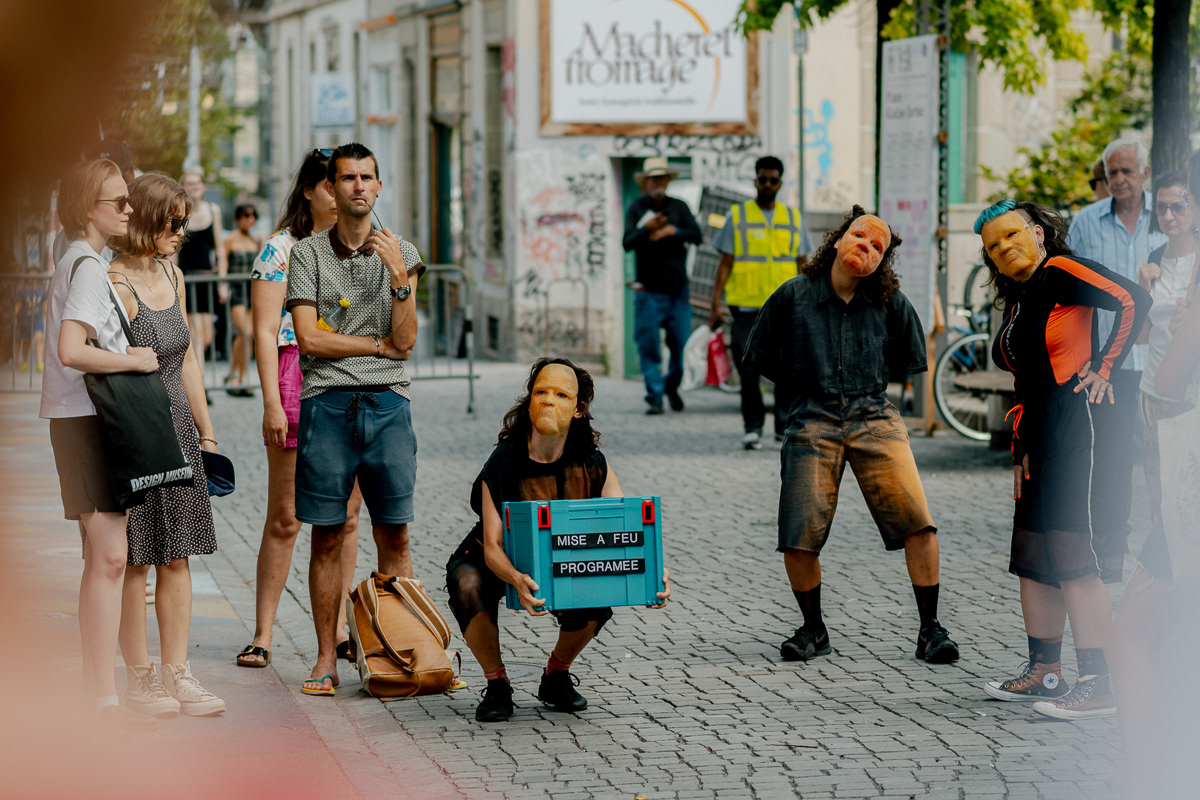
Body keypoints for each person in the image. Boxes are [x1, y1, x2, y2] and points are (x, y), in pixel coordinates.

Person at [744, 205, 959, 665]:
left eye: (878, 246)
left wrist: (874, 393)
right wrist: (799, 381)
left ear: (882, 261)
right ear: (839, 240)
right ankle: (813, 629)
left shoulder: (891, 302)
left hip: (875, 415)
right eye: (860, 236)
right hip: (812, 416)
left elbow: (910, 360)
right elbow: (758, 354)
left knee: (919, 522)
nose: (867, 246)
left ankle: (930, 630)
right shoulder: (793, 295)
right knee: (798, 533)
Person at [975, 199, 1149, 720]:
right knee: (1034, 554)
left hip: (1079, 425)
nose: (1003, 248)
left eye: (1010, 235)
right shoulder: (1021, 299)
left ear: (1037, 232)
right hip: (1038, 437)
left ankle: (1098, 683)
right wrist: (1020, 448)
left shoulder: (1059, 271)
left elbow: (1132, 298)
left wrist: (1105, 367)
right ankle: (1045, 672)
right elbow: (1023, 379)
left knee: (1073, 549)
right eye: (992, 246)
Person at [446, 358, 671, 722]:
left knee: (600, 592)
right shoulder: (503, 462)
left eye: (561, 394)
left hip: (566, 556)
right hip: (497, 559)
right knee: (467, 582)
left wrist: (651, 576)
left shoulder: (593, 463)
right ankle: (498, 684)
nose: (549, 401)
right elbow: (492, 547)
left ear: (579, 409)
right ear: (530, 401)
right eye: (541, 392)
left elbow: (624, 534)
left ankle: (556, 675)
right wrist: (516, 579)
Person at [285, 142, 424, 697]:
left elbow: (407, 342)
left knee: (396, 535)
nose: (359, 187)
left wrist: (398, 276)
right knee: (328, 533)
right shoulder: (307, 255)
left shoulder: (403, 251)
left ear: (379, 186)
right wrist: (375, 344)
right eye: (348, 178)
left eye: (368, 177)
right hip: (328, 405)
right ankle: (325, 657)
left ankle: (404, 653)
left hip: (389, 406)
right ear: (332, 188)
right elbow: (309, 337)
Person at [41, 158, 158, 730]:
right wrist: (134, 358)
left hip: (79, 420)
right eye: (119, 202)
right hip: (89, 420)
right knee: (110, 558)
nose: (129, 210)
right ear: (90, 208)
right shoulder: (86, 265)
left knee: (105, 558)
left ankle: (100, 691)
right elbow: (72, 349)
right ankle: (104, 696)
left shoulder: (79, 260)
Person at [237, 150, 363, 669]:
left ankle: (334, 633)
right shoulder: (280, 249)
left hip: (354, 381)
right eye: (333, 184)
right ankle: (264, 632)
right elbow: (265, 332)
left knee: (348, 518)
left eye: (351, 182)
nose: (344, 192)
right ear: (310, 189)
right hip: (294, 375)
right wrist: (271, 401)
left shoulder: (366, 246)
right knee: (286, 517)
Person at [109, 172, 226, 717]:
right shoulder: (114, 283)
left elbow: (189, 362)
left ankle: (178, 673)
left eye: (184, 222)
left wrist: (206, 429)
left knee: (176, 557)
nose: (182, 231)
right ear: (148, 219)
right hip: (136, 435)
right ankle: (140, 678)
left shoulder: (172, 275)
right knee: (136, 559)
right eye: (174, 222)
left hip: (179, 429)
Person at [1108, 157, 1200, 800]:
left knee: (1129, 635)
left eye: (1179, 204)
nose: (1170, 215)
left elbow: (1168, 378)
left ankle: (1155, 781)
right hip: (1173, 434)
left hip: (1187, 442)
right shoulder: (1161, 267)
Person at [1069, 138, 1166, 466]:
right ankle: (1117, 519)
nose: (1120, 178)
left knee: (1161, 453)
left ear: (1145, 173)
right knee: (1114, 457)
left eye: (1128, 170)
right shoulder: (1085, 221)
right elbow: (1071, 288)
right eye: (1113, 172)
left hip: (1159, 358)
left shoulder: (1169, 216)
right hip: (1109, 363)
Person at [708, 155, 811, 449]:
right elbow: (725, 264)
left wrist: (809, 303)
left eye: (773, 180)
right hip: (746, 309)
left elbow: (802, 264)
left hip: (785, 308)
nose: (767, 184)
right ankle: (752, 426)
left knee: (784, 370)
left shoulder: (792, 218)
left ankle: (783, 427)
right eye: (762, 179)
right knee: (749, 369)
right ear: (755, 181)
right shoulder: (737, 216)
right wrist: (716, 303)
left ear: (780, 182)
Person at [1134, 171, 1199, 535]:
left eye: (1178, 206)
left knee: (1190, 497)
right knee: (1160, 497)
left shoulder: (1199, 263)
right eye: (1162, 208)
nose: (1170, 216)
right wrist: (1142, 287)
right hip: (1153, 395)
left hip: (1192, 395)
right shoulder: (1153, 258)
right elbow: (1142, 336)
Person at [622, 157, 702, 414]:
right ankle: (655, 396)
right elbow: (627, 242)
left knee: (681, 345)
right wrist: (647, 228)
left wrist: (671, 231)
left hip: (678, 291)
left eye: (662, 178)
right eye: (653, 179)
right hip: (648, 292)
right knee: (648, 346)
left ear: (668, 181)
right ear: (646, 183)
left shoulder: (679, 207)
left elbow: (697, 236)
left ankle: (671, 386)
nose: (658, 183)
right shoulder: (636, 208)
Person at [177, 171, 227, 390]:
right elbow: (174, 250)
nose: (193, 187)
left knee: (206, 336)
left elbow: (220, 249)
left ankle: (194, 380)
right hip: (187, 279)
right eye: (188, 183)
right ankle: (199, 386)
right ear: (182, 187)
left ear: (203, 186)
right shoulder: (178, 212)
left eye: (197, 183)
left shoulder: (213, 211)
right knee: (195, 332)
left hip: (207, 280)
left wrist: (222, 282)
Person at [222, 202, 260, 396]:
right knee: (244, 333)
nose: (250, 219)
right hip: (236, 290)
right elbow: (222, 262)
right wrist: (222, 285)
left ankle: (239, 376)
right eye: (246, 215)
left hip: (253, 290)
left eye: (253, 215)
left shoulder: (256, 240)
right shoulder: (230, 239)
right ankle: (235, 376)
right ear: (238, 218)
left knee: (249, 335)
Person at [15, 264, 48, 372]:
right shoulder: (23, 290)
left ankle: (39, 363)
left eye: (35, 275)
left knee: (39, 339)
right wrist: (14, 316)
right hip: (25, 321)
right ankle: (25, 361)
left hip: (37, 319)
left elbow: (44, 305)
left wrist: (48, 316)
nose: (32, 278)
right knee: (26, 341)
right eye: (30, 275)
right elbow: (18, 304)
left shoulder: (41, 290)